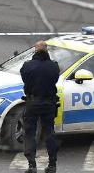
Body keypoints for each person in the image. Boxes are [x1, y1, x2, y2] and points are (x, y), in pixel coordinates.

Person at [19, 41, 60, 173]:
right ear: (47, 50)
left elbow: (24, 77)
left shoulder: (28, 66)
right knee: (49, 132)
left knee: (30, 133)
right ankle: (52, 164)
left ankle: (32, 165)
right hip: (49, 103)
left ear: (35, 51)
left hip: (33, 102)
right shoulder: (54, 66)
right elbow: (55, 79)